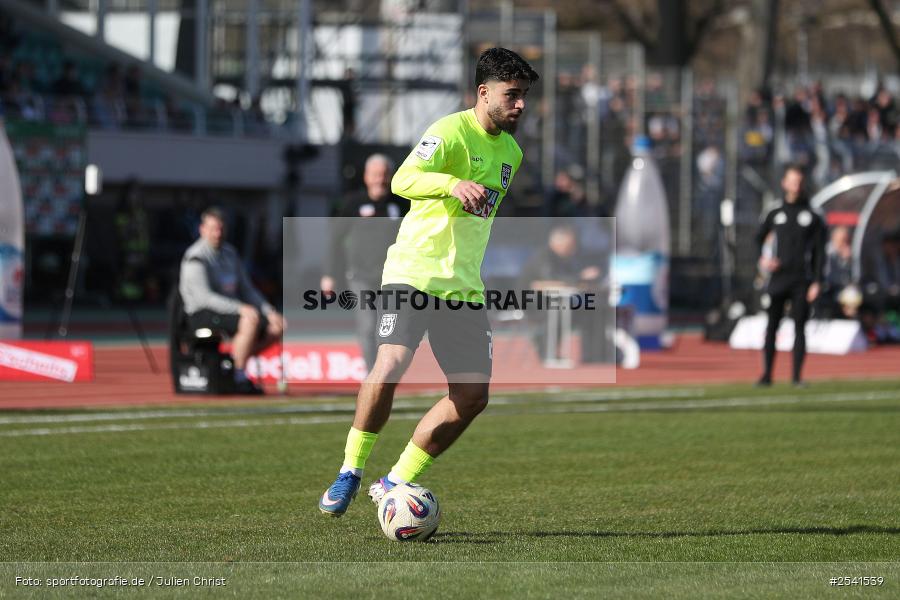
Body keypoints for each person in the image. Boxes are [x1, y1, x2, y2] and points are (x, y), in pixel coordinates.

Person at [318, 47, 539, 517]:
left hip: (462, 289)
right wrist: (451, 184)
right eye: (512, 95)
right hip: (413, 274)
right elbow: (402, 179)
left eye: (524, 96)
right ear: (484, 93)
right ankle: (349, 471)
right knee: (391, 364)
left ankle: (395, 480)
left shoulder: (512, 153)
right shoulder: (449, 131)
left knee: (473, 397)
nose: (521, 105)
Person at [179, 207, 285, 395]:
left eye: (220, 229)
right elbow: (204, 298)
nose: (217, 234)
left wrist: (269, 311)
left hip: (230, 311)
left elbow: (247, 289)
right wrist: (240, 308)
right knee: (249, 320)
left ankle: (233, 363)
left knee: (277, 326)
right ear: (202, 229)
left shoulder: (230, 254)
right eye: (213, 229)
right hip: (202, 313)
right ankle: (237, 374)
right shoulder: (195, 257)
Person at [321, 154, 407, 369]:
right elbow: (335, 239)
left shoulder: (400, 204)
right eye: (376, 175)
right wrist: (329, 274)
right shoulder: (353, 203)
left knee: (389, 328)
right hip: (361, 277)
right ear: (367, 177)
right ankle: (373, 374)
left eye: (385, 175)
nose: (380, 179)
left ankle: (386, 371)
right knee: (368, 326)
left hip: (392, 277)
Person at [755, 164, 826, 387]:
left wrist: (817, 281)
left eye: (799, 181)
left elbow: (820, 252)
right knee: (772, 326)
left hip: (801, 280)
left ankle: (796, 376)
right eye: (792, 181)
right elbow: (757, 239)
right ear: (784, 183)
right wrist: (764, 260)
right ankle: (767, 375)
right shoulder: (775, 212)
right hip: (778, 278)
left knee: (799, 326)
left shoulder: (813, 215)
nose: (796, 185)